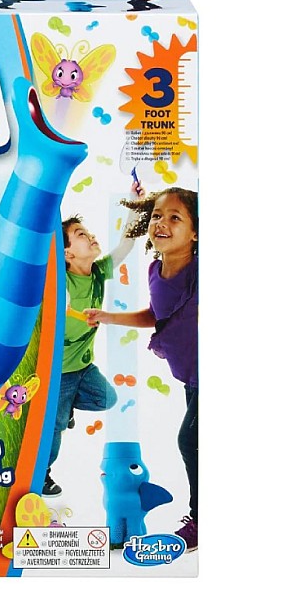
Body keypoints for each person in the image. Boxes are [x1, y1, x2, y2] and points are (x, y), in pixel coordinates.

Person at [85, 187, 198, 550]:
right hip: (191, 376)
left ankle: (201, 520)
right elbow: (155, 315)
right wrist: (108, 316)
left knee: (190, 440)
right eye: (157, 215)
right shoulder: (155, 270)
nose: (161, 223)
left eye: (175, 218)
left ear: (196, 232)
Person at [43, 181, 144, 498]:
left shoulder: (99, 272)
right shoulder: (59, 280)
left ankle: (71, 405)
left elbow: (125, 245)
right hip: (59, 371)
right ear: (67, 253)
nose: (90, 236)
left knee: (107, 399)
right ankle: (43, 473)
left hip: (84, 367)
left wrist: (134, 204)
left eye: (87, 231)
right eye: (81, 235)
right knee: (56, 425)